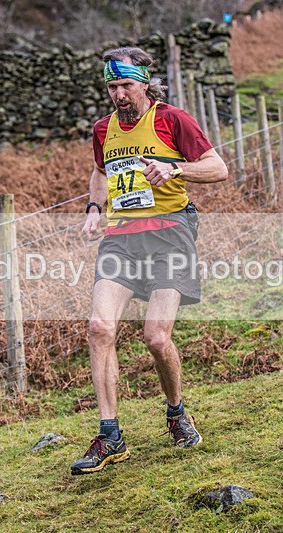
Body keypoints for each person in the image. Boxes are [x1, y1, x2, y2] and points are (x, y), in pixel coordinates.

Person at [70, 47, 228, 475]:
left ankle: (176, 412)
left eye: (125, 84)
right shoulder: (103, 129)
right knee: (99, 327)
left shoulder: (172, 120)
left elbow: (218, 168)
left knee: (156, 337)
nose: (118, 93)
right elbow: (101, 173)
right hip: (121, 240)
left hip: (169, 234)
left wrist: (174, 169)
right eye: (111, 86)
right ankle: (110, 436)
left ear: (144, 82)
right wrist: (93, 208)